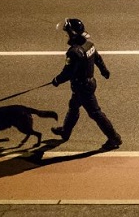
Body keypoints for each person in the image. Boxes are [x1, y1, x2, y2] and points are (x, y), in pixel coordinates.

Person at [51, 18, 123, 151]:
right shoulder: (89, 45)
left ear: (73, 34)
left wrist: (57, 80)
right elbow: (97, 58)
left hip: (82, 87)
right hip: (87, 83)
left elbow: (68, 72)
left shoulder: (74, 52)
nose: (66, 36)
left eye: (67, 33)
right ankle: (65, 131)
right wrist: (104, 70)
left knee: (95, 113)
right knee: (73, 106)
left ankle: (114, 138)